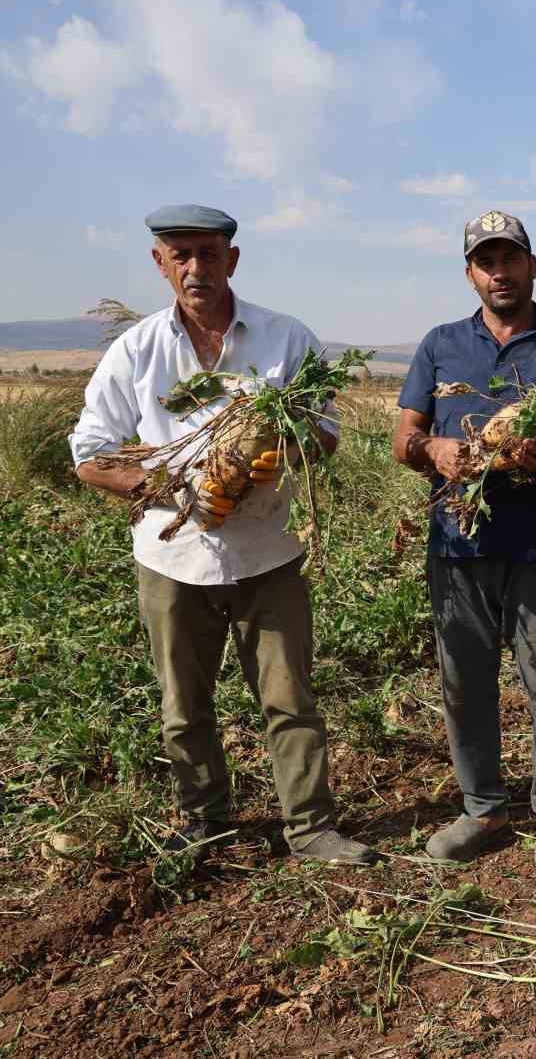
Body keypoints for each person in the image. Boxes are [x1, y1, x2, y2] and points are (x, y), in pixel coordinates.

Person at [70, 204, 375, 864]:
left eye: (208, 253)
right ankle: (207, 822)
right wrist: (154, 486)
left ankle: (312, 828)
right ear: (160, 263)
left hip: (269, 552)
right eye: (180, 255)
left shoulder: (286, 339)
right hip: (171, 556)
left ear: (232, 259)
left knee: (289, 698)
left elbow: (326, 432)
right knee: (184, 705)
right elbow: (88, 450)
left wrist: (288, 449)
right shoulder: (137, 351)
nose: (195, 267)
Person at [392, 210, 536, 866]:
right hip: (458, 548)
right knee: (464, 683)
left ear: (532, 265)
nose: (500, 272)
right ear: (470, 274)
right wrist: (434, 449)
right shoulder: (440, 345)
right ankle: (481, 809)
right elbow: (402, 437)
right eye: (486, 262)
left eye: (510, 258)